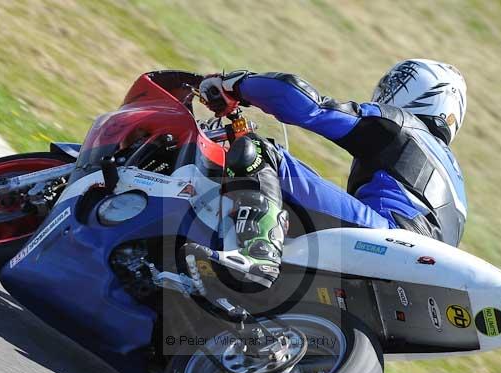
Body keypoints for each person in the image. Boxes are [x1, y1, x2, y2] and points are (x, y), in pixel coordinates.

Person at [196, 59, 469, 288]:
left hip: (388, 238)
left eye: (392, 85)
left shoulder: (401, 126)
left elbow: (307, 106)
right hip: (420, 279)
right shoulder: (456, 186)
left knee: (257, 150)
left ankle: (259, 253)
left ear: (424, 92)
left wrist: (237, 84)